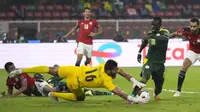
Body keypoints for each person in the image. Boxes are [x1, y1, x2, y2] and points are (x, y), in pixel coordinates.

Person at [9, 59, 146, 103]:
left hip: (73, 70)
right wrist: (134, 99)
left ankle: (21, 70)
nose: (117, 71)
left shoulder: (104, 65)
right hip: (75, 82)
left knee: (50, 69)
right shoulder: (105, 80)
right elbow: (119, 92)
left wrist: (133, 80)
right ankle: (54, 94)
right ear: (109, 70)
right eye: (114, 70)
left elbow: (121, 72)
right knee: (79, 98)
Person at [132, 17, 169, 100]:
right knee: (145, 78)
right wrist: (139, 52)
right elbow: (144, 42)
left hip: (159, 63)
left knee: (159, 85)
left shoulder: (165, 32)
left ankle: (156, 93)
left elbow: (164, 39)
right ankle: (132, 96)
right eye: (152, 25)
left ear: (160, 25)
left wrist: (151, 36)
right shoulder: (150, 34)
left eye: (155, 25)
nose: (152, 27)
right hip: (149, 61)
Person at [170, 18, 200, 97]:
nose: (192, 28)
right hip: (193, 51)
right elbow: (174, 34)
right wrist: (164, 39)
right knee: (184, 67)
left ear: (198, 26)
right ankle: (178, 91)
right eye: (191, 26)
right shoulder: (186, 30)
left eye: (194, 27)